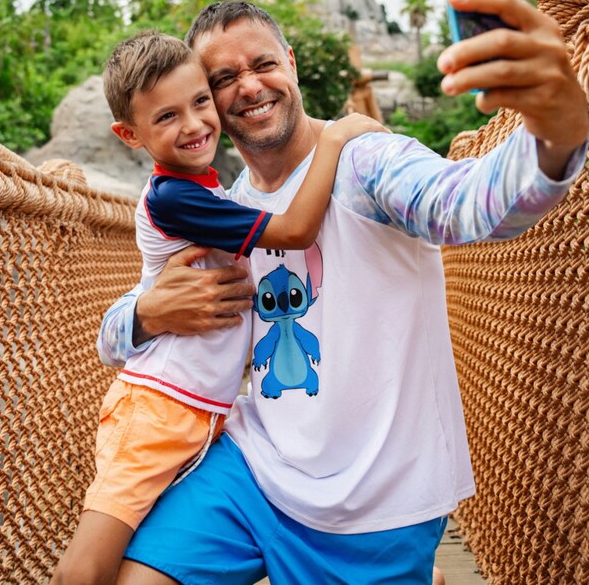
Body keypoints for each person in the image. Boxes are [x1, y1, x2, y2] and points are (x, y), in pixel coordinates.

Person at [95, 0, 589, 585]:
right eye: (224, 78)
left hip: (380, 498)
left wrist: (555, 132)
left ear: (292, 64)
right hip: (254, 469)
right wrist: (148, 312)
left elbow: (466, 206)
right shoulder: (228, 211)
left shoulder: (366, 161)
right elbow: (113, 334)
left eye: (263, 65)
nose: (249, 87)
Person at [51, 32, 386, 585]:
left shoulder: (215, 193)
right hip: (158, 408)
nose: (193, 125)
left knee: (147, 554)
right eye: (167, 117)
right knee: (87, 568)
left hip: (205, 416)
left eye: (201, 102)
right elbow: (296, 230)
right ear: (129, 135)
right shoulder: (174, 197)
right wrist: (336, 137)